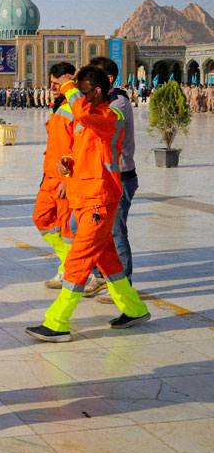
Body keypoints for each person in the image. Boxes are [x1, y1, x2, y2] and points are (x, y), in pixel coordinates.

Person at [26, 66, 150, 342]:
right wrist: (68, 163)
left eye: (82, 91)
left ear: (96, 91)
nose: (76, 96)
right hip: (84, 196)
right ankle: (135, 309)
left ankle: (57, 322)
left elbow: (82, 113)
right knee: (107, 260)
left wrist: (68, 86)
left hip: (100, 200)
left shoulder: (110, 115)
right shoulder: (89, 119)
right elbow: (84, 152)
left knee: (79, 262)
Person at [88, 56, 138, 305]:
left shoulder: (119, 103)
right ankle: (100, 274)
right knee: (94, 228)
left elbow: (103, 125)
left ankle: (123, 281)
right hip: (101, 179)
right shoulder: (101, 100)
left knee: (116, 231)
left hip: (120, 178)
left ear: (108, 79)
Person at [33, 63, 77, 290]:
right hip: (49, 176)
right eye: (51, 82)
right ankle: (69, 263)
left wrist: (68, 181)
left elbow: (80, 148)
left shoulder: (77, 107)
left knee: (67, 230)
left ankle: (70, 270)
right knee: (42, 218)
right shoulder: (59, 107)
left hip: (65, 179)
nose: (53, 87)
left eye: (57, 83)